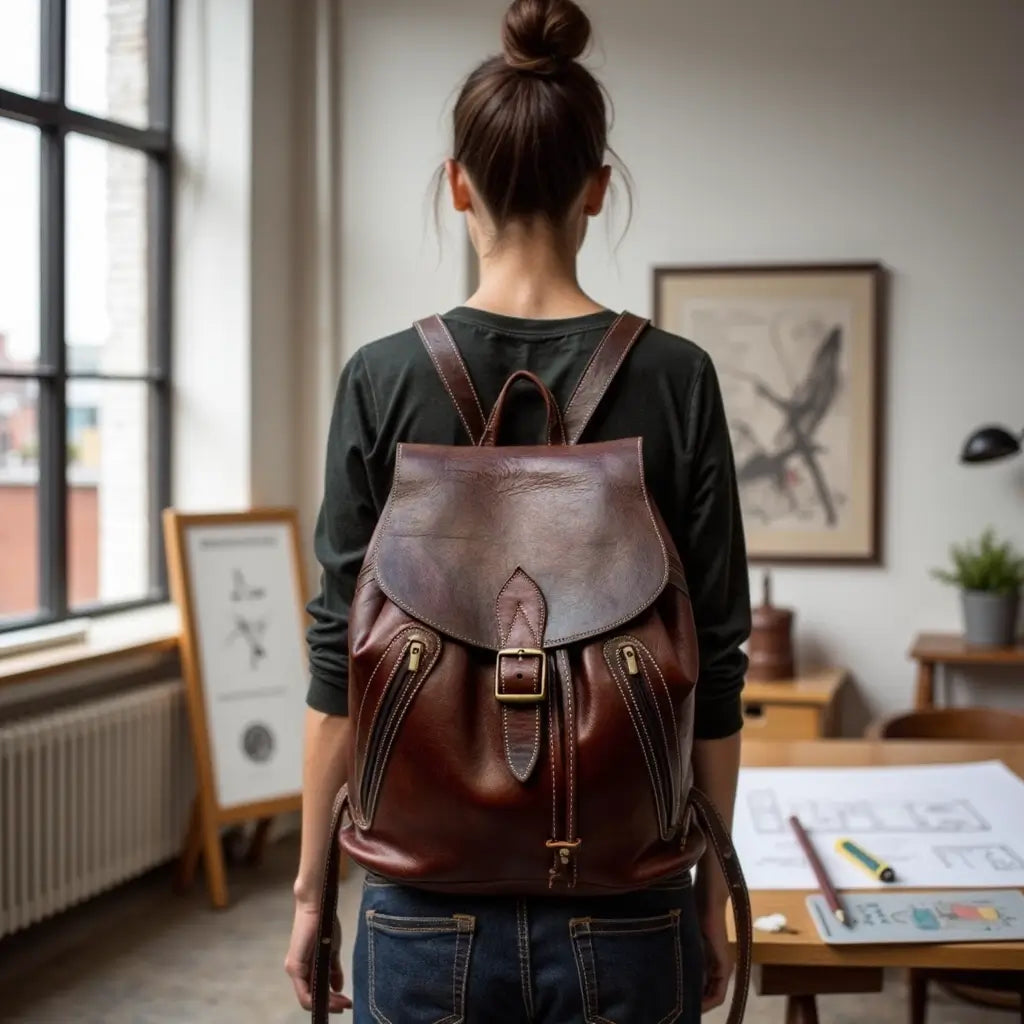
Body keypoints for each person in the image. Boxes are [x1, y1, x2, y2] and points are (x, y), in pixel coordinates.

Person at [285, 0, 750, 1019]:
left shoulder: (381, 377)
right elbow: (715, 660)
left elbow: (337, 665)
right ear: (597, 189)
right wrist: (712, 895)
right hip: (628, 896)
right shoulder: (677, 378)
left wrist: (314, 888)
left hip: (417, 895)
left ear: (458, 186)